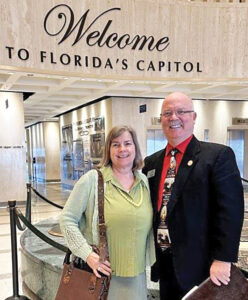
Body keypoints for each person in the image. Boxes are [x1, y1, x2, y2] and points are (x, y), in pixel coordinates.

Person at [143, 92, 244, 299]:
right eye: (167, 113)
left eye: (181, 112)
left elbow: (230, 211)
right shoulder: (152, 162)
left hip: (203, 266)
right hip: (165, 263)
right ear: (161, 119)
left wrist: (223, 259)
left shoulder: (217, 156)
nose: (174, 118)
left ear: (194, 117)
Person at [60, 125, 155, 300]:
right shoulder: (93, 180)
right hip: (101, 276)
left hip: (137, 275)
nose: (122, 149)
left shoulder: (143, 182)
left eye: (127, 143)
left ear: (135, 148)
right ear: (108, 150)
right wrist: (88, 255)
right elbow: (66, 219)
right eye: (115, 144)